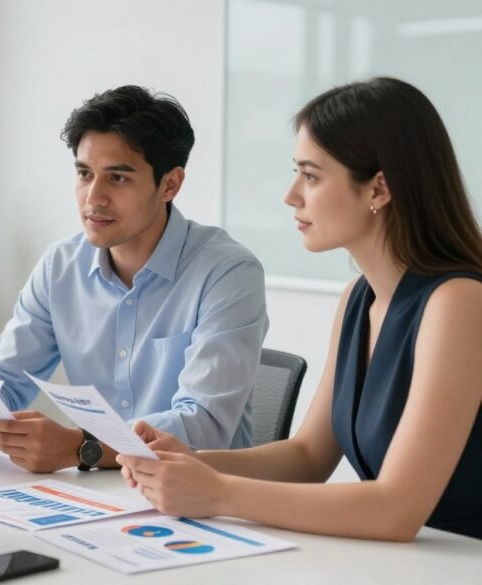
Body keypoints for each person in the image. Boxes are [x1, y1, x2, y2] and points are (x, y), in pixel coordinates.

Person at [118, 77, 482, 541]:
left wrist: (216, 492)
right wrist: (187, 464)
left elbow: (396, 508)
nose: (291, 195)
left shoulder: (458, 303)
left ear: (379, 189)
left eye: (310, 176)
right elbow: (309, 457)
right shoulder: (358, 298)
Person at [0, 85, 269, 473]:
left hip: (200, 499)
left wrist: (82, 449)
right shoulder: (60, 266)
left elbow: (204, 424)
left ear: (170, 184)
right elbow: (4, 378)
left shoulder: (227, 273)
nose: (92, 198)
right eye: (84, 174)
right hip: (98, 494)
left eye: (117, 178)